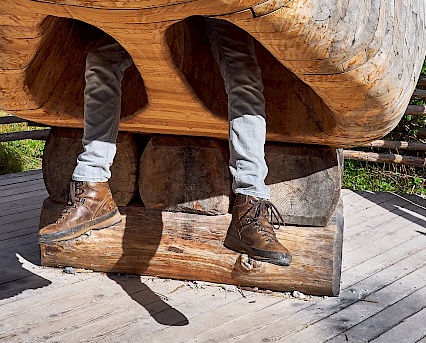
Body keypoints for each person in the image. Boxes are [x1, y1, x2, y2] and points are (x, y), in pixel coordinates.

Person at [38, 18, 291, 267]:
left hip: (217, 1)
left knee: (243, 70)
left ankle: (249, 207)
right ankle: (93, 190)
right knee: (101, 59)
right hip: (157, 2)